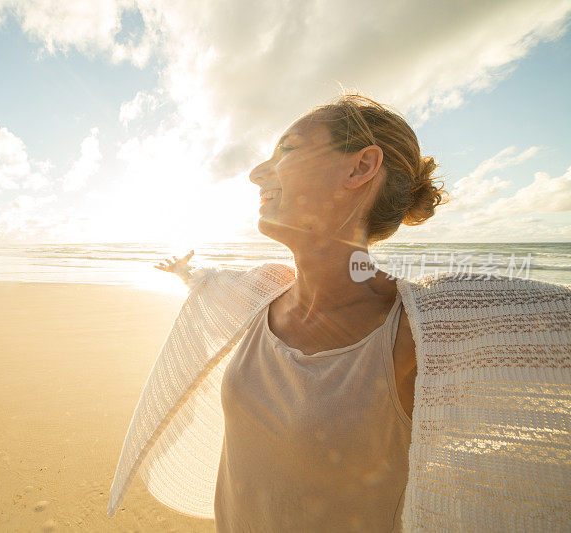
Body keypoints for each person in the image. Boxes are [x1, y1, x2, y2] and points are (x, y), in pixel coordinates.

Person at [110, 92, 571, 532]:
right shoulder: (258, 295)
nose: (255, 173)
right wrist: (186, 273)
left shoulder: (419, 331)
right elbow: (211, 284)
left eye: (286, 150)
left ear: (361, 167)